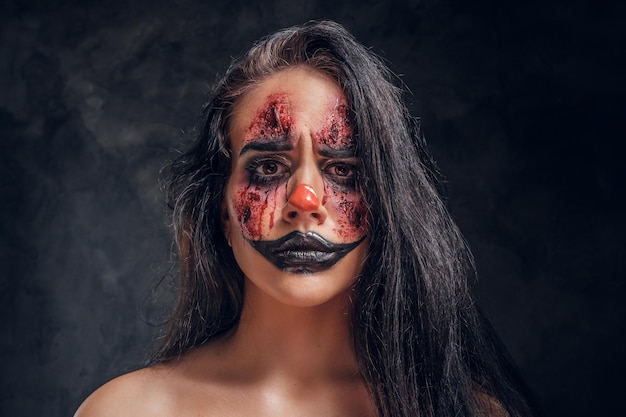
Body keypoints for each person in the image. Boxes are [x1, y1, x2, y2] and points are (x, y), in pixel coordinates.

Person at [75, 20, 537, 417]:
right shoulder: (128, 410)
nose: (305, 198)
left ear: (390, 207)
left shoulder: (469, 411)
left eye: (344, 170)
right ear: (221, 211)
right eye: (269, 168)